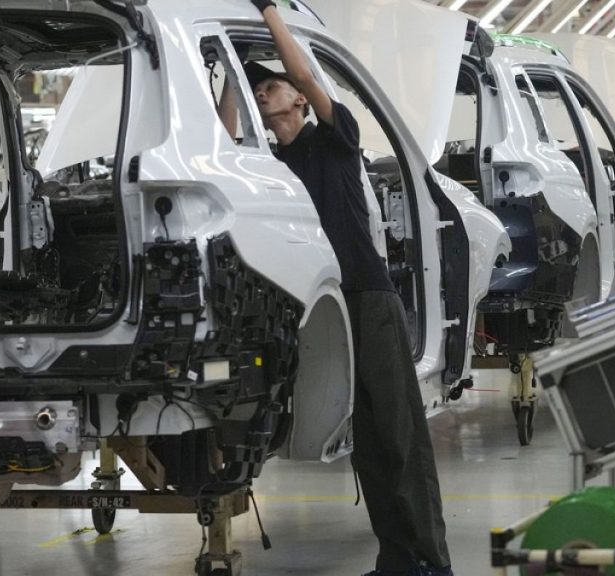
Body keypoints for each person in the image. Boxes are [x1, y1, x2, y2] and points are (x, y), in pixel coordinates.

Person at [242, 2, 453, 575]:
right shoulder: (271, 167)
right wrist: (232, 79)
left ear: (300, 100)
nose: (263, 92)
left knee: (399, 435)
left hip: (368, 297)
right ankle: (396, 559)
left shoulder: (336, 138)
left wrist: (269, 11)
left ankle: (432, 563)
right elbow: (222, 125)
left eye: (272, 85)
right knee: (368, 442)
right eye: (258, 88)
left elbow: (305, 72)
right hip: (326, 311)